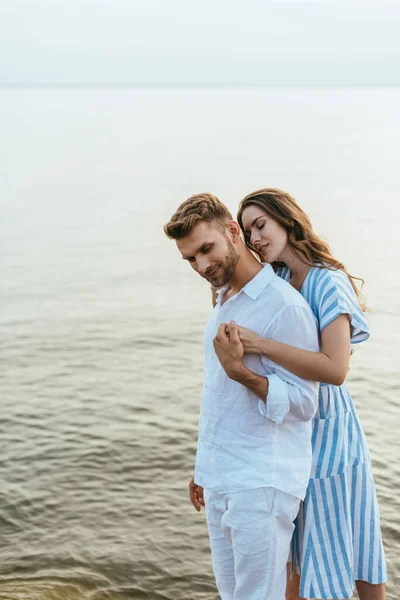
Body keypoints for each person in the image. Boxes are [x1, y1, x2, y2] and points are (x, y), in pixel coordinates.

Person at [231, 188, 387, 600]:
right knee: (295, 551)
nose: (256, 238)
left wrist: (261, 345)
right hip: (289, 428)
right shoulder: (278, 280)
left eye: (260, 224)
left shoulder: (327, 281)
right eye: (248, 232)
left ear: (287, 219)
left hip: (331, 433)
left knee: (353, 541)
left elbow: (335, 369)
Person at [164, 193, 320, 600]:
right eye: (190, 259)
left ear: (234, 232)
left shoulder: (284, 306)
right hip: (221, 479)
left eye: (206, 249)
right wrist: (204, 466)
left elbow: (306, 404)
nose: (201, 266)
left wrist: (241, 373)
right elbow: (216, 396)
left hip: (262, 482)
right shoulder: (221, 302)